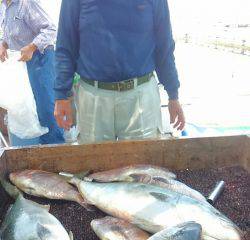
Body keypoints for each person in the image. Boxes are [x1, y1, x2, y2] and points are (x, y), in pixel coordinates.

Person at [54, 0, 185, 144]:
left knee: (142, 164)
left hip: (140, 96)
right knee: (94, 163)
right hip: (92, 97)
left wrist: (173, 95)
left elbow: (164, 46)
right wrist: (61, 95)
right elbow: (65, 46)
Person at [0, 0, 64, 146]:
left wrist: (31, 47)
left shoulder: (27, 3)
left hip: (40, 58)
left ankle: (55, 149)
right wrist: (3, 44)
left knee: (46, 107)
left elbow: (50, 29)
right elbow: (8, 34)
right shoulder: (4, 6)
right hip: (21, 62)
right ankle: (38, 150)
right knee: (28, 109)